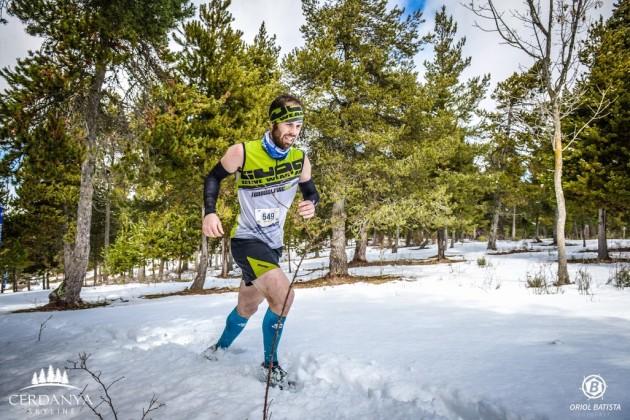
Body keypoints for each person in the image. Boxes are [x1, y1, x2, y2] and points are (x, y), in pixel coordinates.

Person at [201, 94, 319, 387]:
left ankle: (219, 349)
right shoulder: (243, 152)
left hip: (273, 245)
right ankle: (270, 365)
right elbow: (213, 178)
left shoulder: (300, 159)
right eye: (288, 124)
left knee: (247, 307)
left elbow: (310, 191)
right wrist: (210, 213)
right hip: (246, 240)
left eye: (299, 125)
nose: (293, 131)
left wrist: (311, 204)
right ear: (274, 122)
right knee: (285, 297)